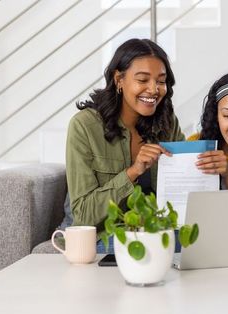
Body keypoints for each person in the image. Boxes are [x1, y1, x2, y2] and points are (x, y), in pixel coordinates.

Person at [66, 38, 184, 253]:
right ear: (119, 79)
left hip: (158, 229)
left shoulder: (167, 122)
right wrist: (133, 172)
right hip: (107, 234)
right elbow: (82, 214)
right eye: (143, 80)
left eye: (161, 81)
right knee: (164, 248)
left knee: (204, 243)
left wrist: (208, 169)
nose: (154, 89)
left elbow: (184, 197)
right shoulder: (85, 126)